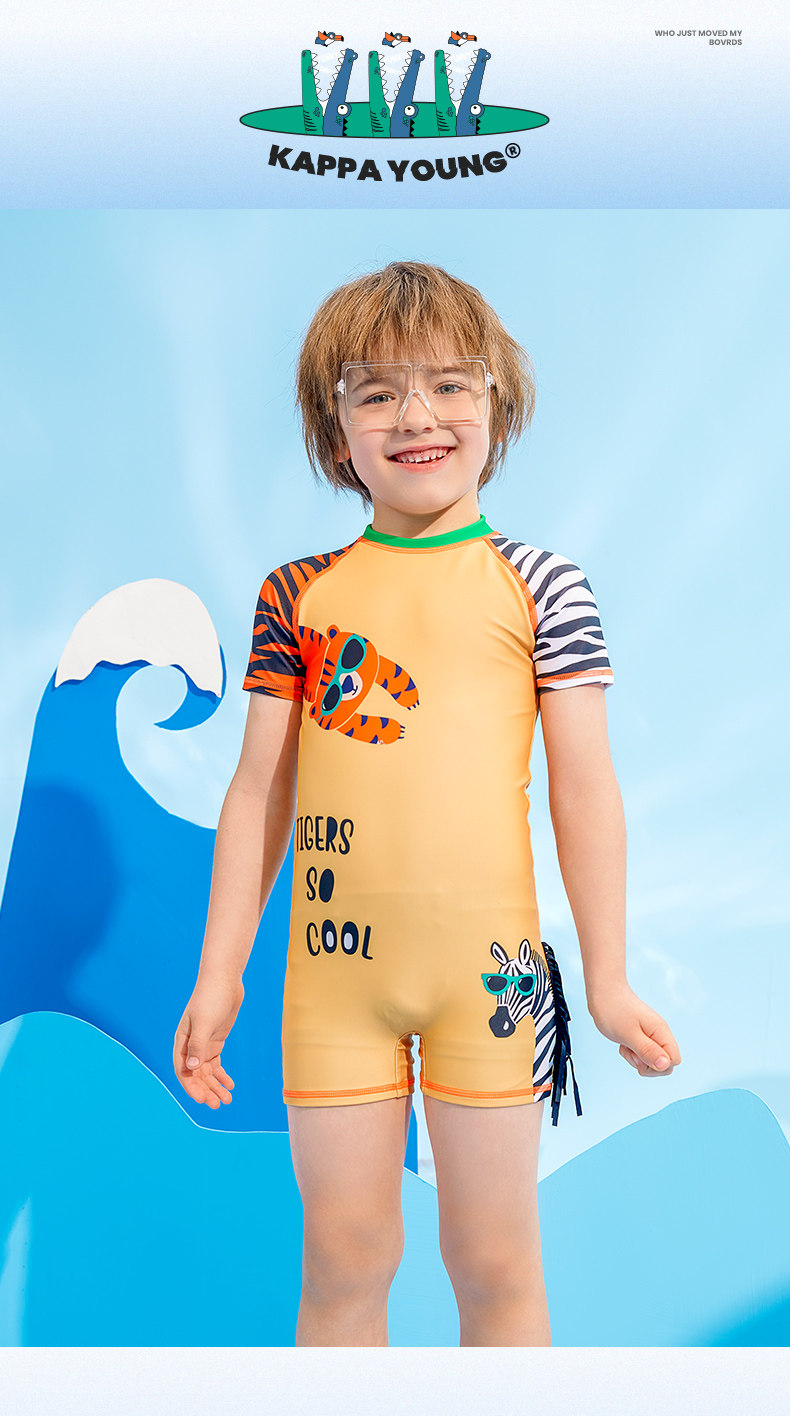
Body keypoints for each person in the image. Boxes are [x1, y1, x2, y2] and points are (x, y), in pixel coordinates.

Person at [173, 260, 681, 1347]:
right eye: (377, 392)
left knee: (494, 1266)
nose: (417, 416)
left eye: (450, 384)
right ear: (335, 432)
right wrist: (219, 974)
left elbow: (584, 789)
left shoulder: (543, 585)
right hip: (332, 985)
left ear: (498, 403)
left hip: (491, 983)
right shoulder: (296, 594)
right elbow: (259, 794)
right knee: (343, 1262)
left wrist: (607, 979)